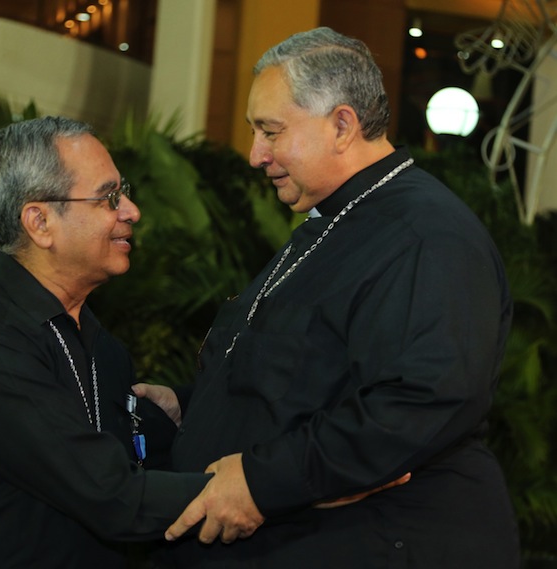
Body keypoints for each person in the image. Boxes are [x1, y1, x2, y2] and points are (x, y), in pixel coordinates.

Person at [138, 27, 521, 568]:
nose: (255, 155)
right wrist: (193, 406)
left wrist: (261, 482)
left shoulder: (427, 235)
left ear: (342, 125)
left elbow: (418, 403)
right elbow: (304, 377)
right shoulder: (338, 219)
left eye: (270, 131)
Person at [0, 117, 210, 569]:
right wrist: (249, 491)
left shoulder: (96, 342)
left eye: (124, 191)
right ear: (40, 222)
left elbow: (127, 455)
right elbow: (112, 494)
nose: (131, 211)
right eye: (108, 197)